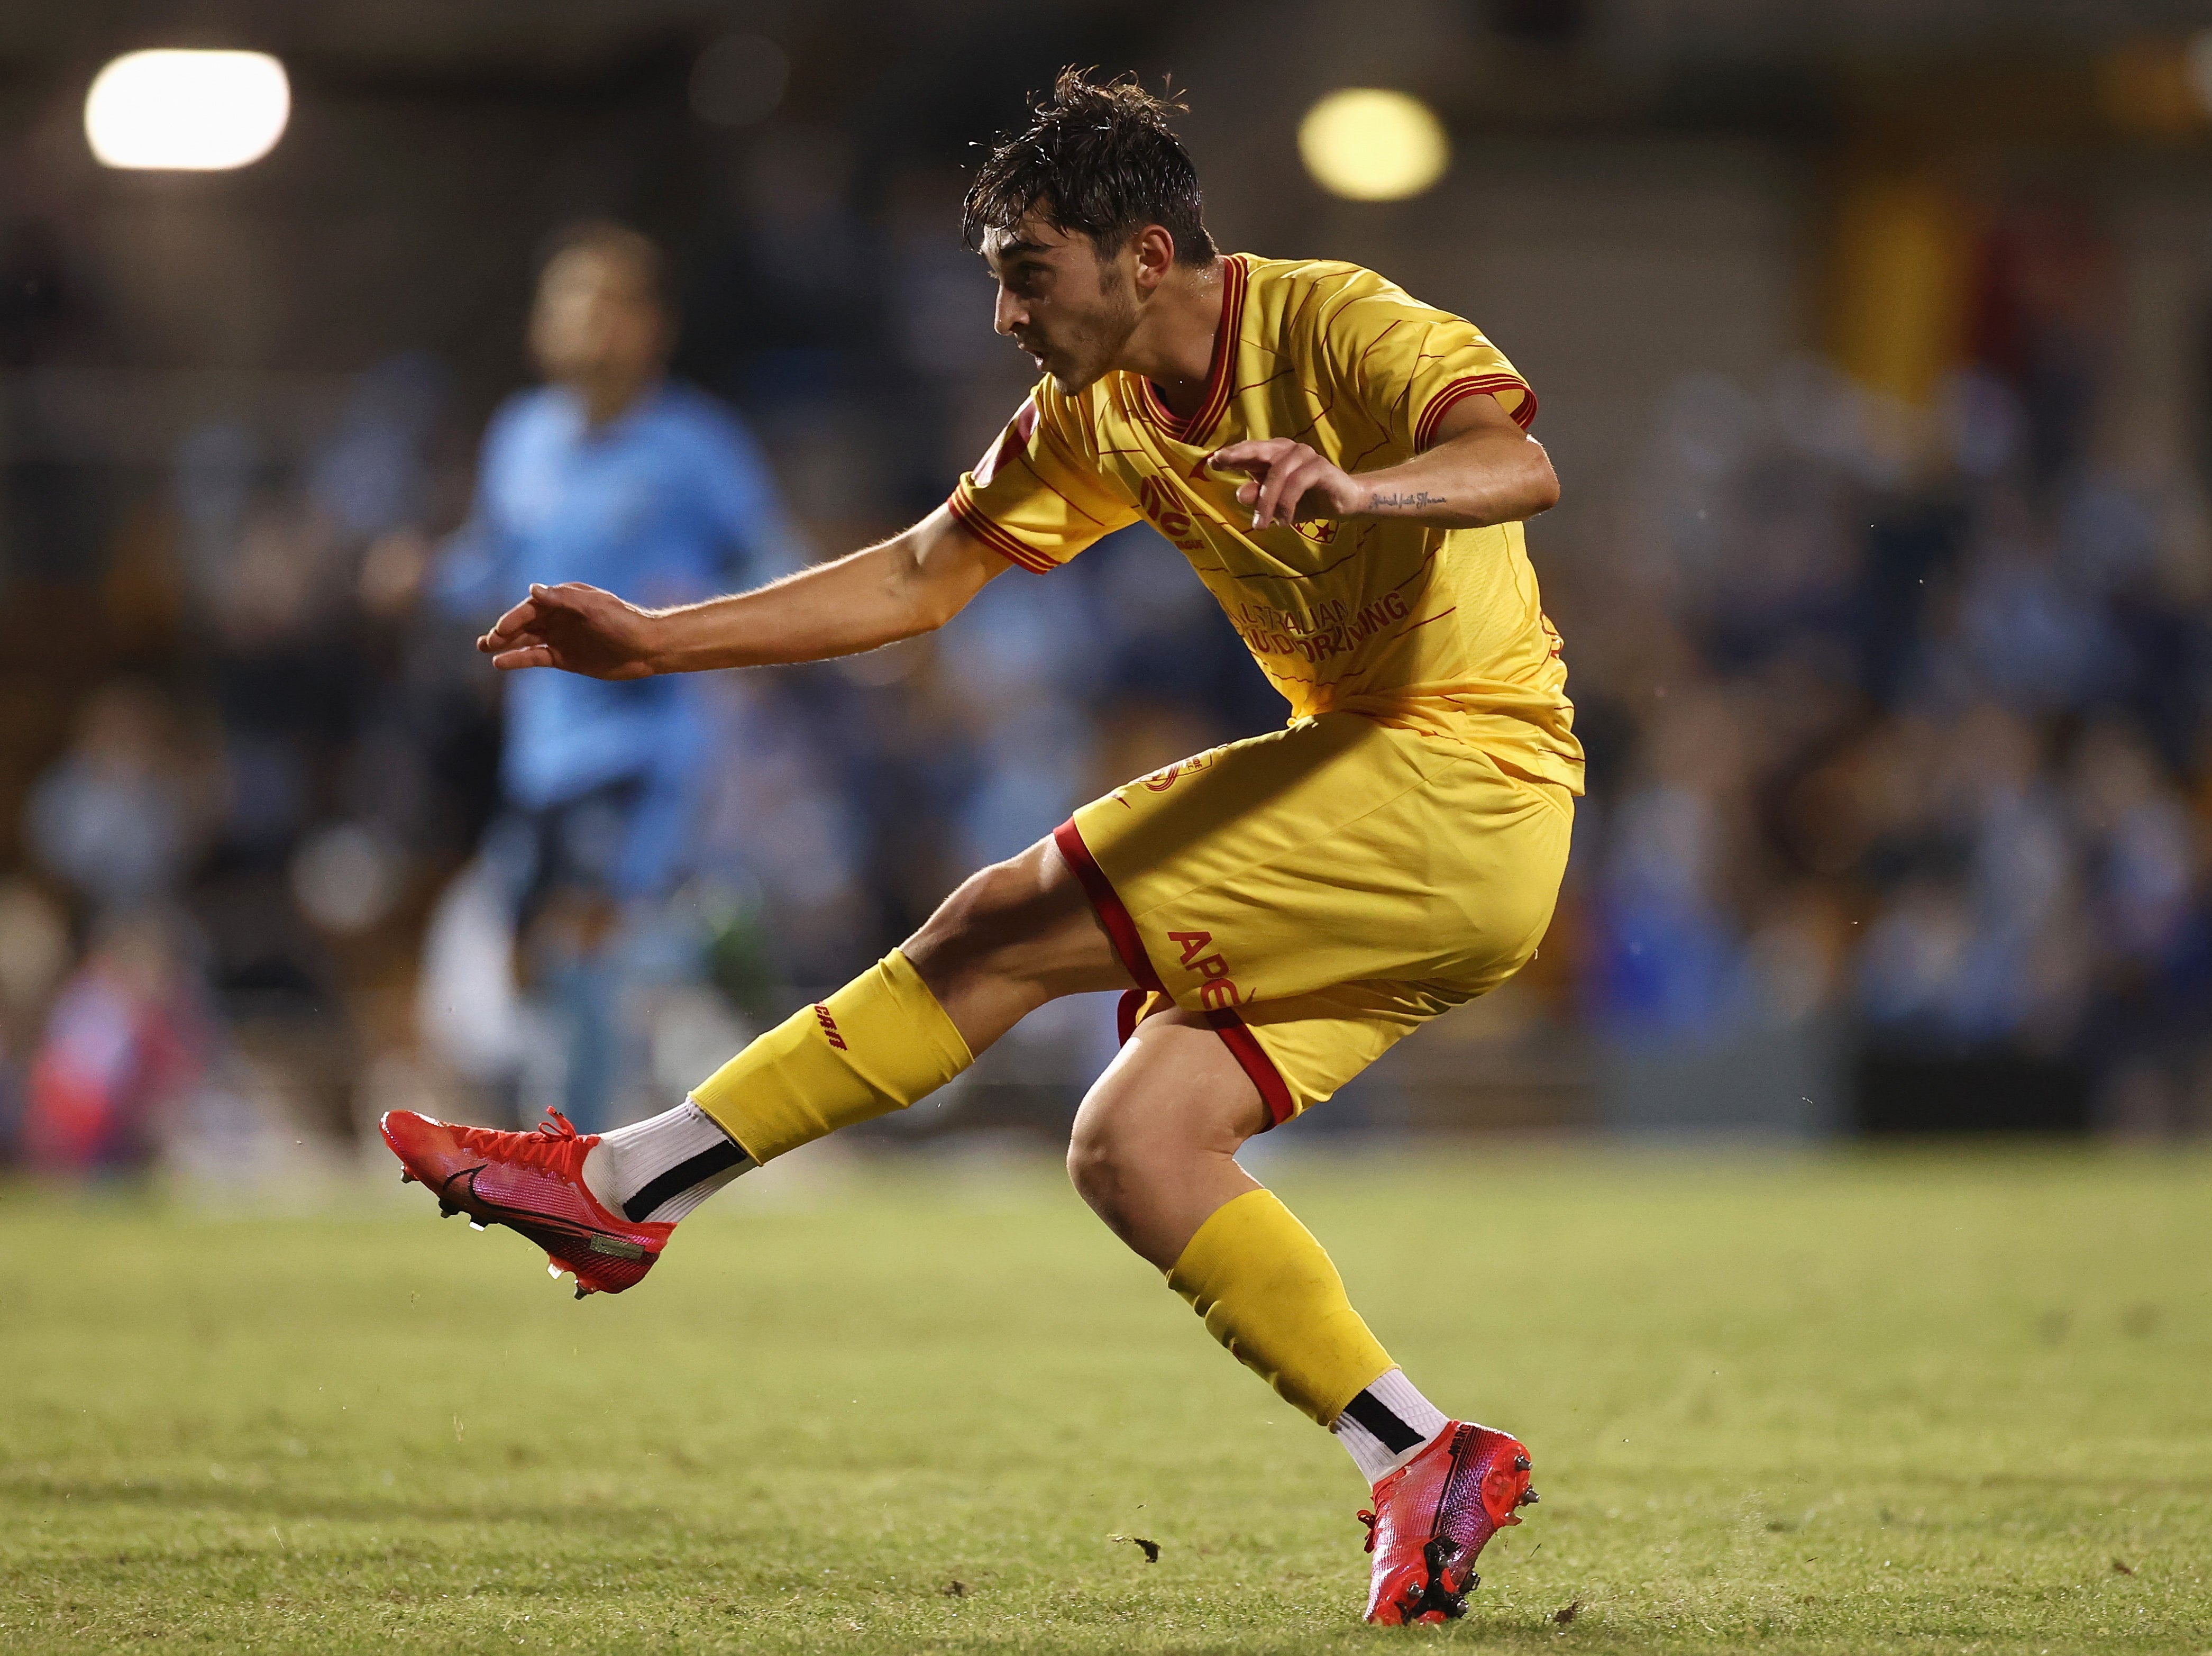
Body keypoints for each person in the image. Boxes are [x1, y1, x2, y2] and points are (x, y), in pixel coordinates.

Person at [383, 74, 1575, 1626]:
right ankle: (1424, 1454)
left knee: (995, 925)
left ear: (1141, 256)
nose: (1005, 315)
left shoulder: (1334, 324)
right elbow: (918, 578)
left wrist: (1363, 486)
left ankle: (627, 1184)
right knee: (1133, 1146)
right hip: (1416, 838)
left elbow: (1514, 460)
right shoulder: (1093, 411)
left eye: (1026, 271)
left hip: (1455, 774)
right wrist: (659, 643)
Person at [412, 223, 806, 1130]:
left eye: (610, 305)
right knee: (531, 950)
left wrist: (721, 612)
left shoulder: (694, 446)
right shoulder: (521, 438)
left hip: (643, 743)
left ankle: (578, 1165)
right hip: (540, 749)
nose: (589, 324)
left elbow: (775, 558)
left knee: (580, 936)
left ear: (651, 326)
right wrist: (420, 578)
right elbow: (491, 563)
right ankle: (715, 949)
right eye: (572, 303)